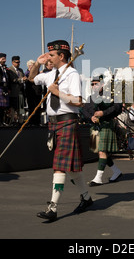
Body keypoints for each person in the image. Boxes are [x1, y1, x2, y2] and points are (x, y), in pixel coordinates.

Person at [28, 40, 93, 222]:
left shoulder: (72, 74)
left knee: (59, 166)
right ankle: (86, 198)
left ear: (61, 56)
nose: (49, 57)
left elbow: (79, 101)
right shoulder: (49, 74)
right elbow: (31, 78)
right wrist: (36, 64)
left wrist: (57, 93)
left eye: (51, 55)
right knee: (71, 169)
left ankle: (53, 208)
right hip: (53, 124)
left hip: (67, 122)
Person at [80, 75, 123, 186]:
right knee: (102, 152)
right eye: (92, 84)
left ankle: (98, 178)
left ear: (102, 84)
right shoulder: (90, 98)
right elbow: (84, 110)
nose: (94, 86)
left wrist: (104, 113)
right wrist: (91, 117)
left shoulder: (109, 95)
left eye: (96, 84)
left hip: (106, 125)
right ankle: (116, 171)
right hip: (96, 127)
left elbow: (117, 107)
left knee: (102, 151)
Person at [8, 56, 27, 124]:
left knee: (21, 107)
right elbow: (12, 80)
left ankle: (21, 121)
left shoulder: (21, 70)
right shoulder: (9, 70)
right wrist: (21, 79)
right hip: (13, 92)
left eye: (19, 62)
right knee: (13, 107)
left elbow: (23, 77)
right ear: (13, 62)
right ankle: (12, 120)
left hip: (21, 91)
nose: (18, 63)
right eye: (17, 62)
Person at [24, 59, 43, 126]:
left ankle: (37, 121)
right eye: (31, 66)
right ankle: (31, 121)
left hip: (37, 92)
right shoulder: (26, 73)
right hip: (30, 92)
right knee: (31, 107)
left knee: (38, 107)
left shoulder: (38, 73)